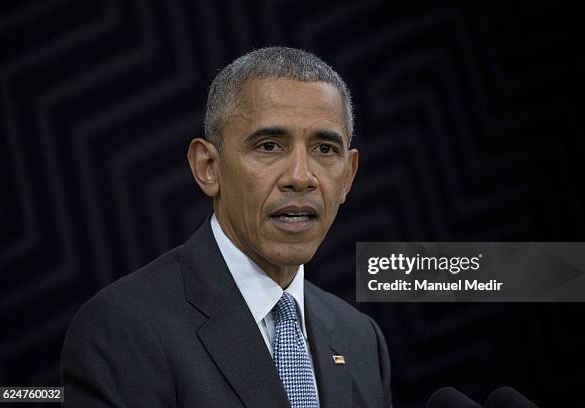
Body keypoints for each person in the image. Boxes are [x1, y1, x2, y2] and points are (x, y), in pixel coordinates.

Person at [61, 47, 391, 408]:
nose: (301, 177)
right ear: (208, 167)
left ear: (348, 176)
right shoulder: (124, 329)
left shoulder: (360, 339)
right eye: (269, 145)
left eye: (325, 149)